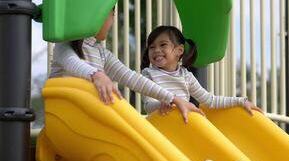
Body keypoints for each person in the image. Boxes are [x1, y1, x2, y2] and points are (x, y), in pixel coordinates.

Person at [49, 9, 204, 123]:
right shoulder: (64, 45)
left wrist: (175, 99)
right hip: (64, 121)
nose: (113, 20)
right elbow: (72, 62)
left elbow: (133, 79)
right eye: (112, 14)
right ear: (97, 15)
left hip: (90, 121)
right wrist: (98, 75)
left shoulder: (102, 54)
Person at [141, 25, 263, 115]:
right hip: (158, 129)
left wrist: (240, 101)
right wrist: (161, 104)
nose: (156, 50)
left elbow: (210, 100)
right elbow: (148, 105)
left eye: (163, 45)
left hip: (181, 126)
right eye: (152, 47)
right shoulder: (148, 74)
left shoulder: (186, 76)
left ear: (180, 50)